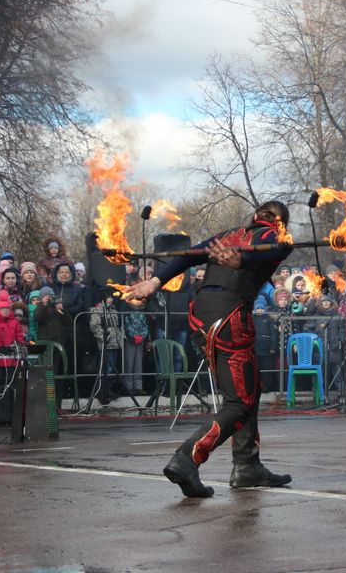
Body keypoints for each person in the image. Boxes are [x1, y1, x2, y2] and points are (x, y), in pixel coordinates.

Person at [125, 200, 294, 498]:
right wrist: (242, 263)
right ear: (280, 222)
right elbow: (278, 248)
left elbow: (189, 255)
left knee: (249, 386)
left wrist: (154, 282)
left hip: (203, 315)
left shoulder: (229, 235)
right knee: (239, 403)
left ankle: (247, 465)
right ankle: (188, 458)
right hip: (229, 317)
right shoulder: (277, 236)